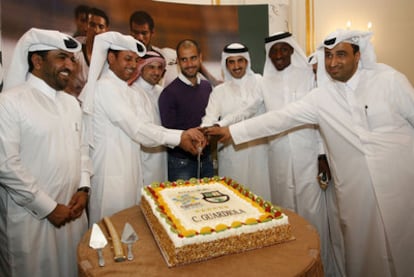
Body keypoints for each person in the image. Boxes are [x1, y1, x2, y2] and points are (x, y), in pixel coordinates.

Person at [207, 29, 414, 277]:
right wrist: (232, 131)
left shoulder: (390, 81)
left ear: (358, 55)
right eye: (328, 56)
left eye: (341, 55)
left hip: (400, 184)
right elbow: (278, 119)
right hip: (356, 189)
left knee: (405, 246)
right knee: (364, 249)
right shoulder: (322, 97)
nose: (333, 62)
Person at [79, 32, 206, 225]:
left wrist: (181, 134)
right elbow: (138, 129)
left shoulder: (124, 89)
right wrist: (180, 137)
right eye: (127, 59)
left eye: (135, 60)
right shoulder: (105, 87)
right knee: (111, 230)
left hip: (130, 171)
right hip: (111, 174)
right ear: (111, 58)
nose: (132, 65)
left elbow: (145, 127)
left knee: (129, 228)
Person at [0, 28, 91, 277]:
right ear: (37, 61)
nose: (70, 66)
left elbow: (83, 149)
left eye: (72, 59)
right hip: (32, 219)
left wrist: (84, 189)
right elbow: (6, 166)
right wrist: (48, 207)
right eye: (61, 57)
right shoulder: (9, 102)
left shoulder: (71, 103)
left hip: (73, 213)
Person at [255, 32, 344, 276]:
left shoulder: (309, 75)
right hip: (279, 157)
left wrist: (322, 154)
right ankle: (291, 267)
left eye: (284, 49)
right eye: (274, 51)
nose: (279, 55)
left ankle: (320, 266)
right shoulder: (265, 82)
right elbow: (253, 112)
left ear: (292, 50)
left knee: (312, 213)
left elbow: (322, 118)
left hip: (309, 157)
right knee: (285, 211)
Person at [200, 42, 271, 198]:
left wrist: (221, 124)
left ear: (247, 62)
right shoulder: (219, 91)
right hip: (231, 153)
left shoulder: (261, 82)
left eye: (240, 60)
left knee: (261, 198)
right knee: (235, 198)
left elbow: (250, 108)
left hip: (258, 152)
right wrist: (204, 129)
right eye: (231, 61)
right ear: (226, 64)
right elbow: (209, 116)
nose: (236, 66)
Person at [159, 39, 214, 181]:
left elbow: (213, 119)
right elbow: (166, 132)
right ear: (178, 61)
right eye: (184, 59)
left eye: (193, 58)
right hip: (181, 165)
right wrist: (189, 142)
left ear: (200, 57)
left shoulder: (207, 87)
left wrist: (207, 136)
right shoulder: (168, 93)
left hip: (206, 160)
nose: (189, 64)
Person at [128, 10, 221, 87]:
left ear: (152, 32)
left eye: (144, 33)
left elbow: (191, 61)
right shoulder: (126, 57)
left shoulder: (166, 54)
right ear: (130, 32)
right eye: (135, 32)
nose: (139, 37)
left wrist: (213, 81)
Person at [130, 50, 168, 184]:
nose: (156, 72)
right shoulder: (133, 92)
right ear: (141, 68)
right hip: (143, 156)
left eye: (159, 68)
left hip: (162, 152)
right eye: (151, 67)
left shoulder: (161, 92)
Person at [72, 7, 109, 94]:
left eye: (101, 27)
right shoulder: (74, 49)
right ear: (86, 26)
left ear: (107, 30)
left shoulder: (111, 56)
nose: (96, 30)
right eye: (92, 25)